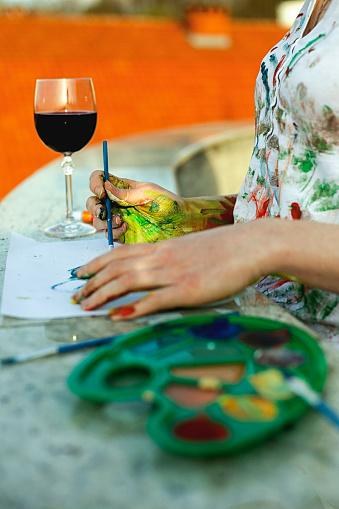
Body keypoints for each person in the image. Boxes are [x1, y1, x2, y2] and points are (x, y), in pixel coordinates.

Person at [73, 0, 339, 322]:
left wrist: (262, 243)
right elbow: (298, 204)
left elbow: (270, 236)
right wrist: (185, 219)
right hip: (265, 327)